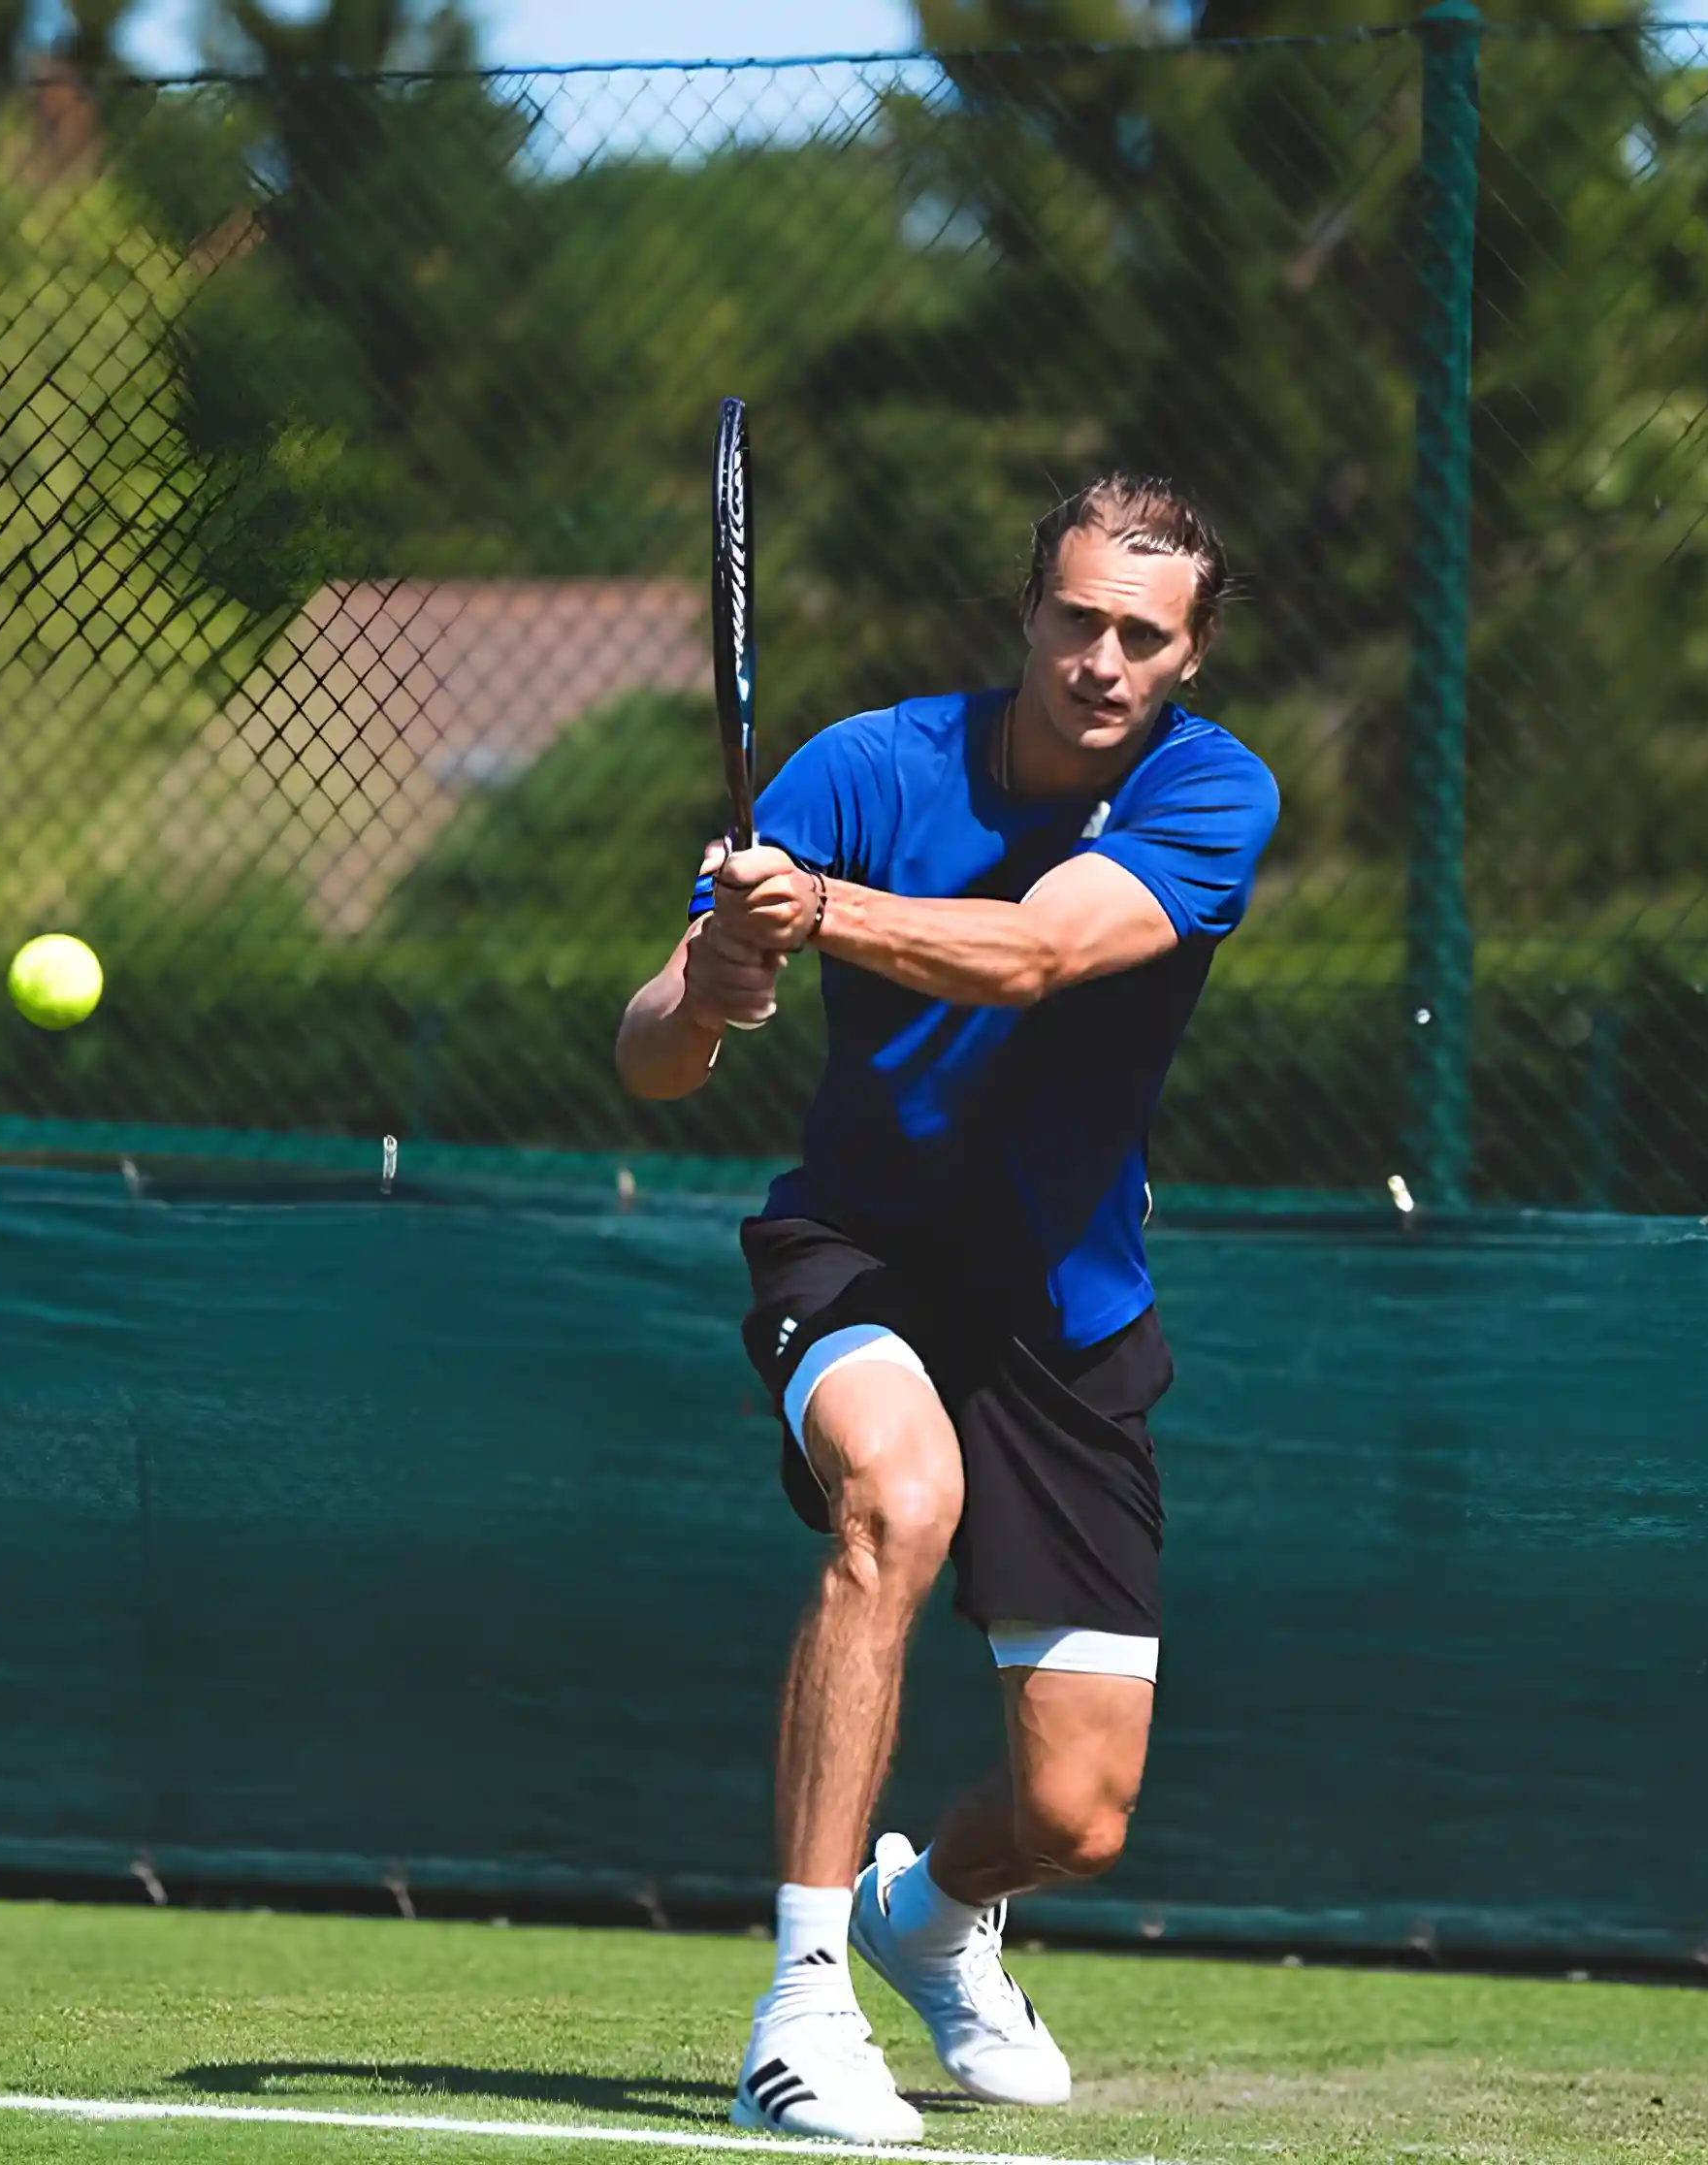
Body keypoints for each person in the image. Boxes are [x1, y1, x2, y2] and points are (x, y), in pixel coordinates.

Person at [615, 473, 1278, 2144]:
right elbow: (653, 1055)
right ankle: (803, 2004)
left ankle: (928, 1921)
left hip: (1067, 1319)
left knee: (1078, 1810)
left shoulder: (1211, 795)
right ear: (1027, 613)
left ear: (1191, 656)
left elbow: (1039, 953)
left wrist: (822, 912)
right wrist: (712, 977)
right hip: (859, 1260)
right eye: (1078, 619)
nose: (1104, 660)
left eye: (1145, 634)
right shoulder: (862, 766)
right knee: (896, 1502)